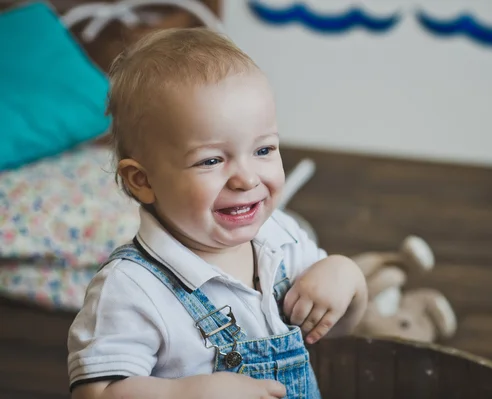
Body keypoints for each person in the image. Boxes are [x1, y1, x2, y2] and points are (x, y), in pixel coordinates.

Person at [67, 27, 367, 399]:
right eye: (211, 160)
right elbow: (96, 393)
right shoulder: (131, 287)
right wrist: (185, 394)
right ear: (143, 181)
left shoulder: (282, 238)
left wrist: (347, 279)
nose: (246, 178)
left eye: (263, 150)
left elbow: (333, 334)